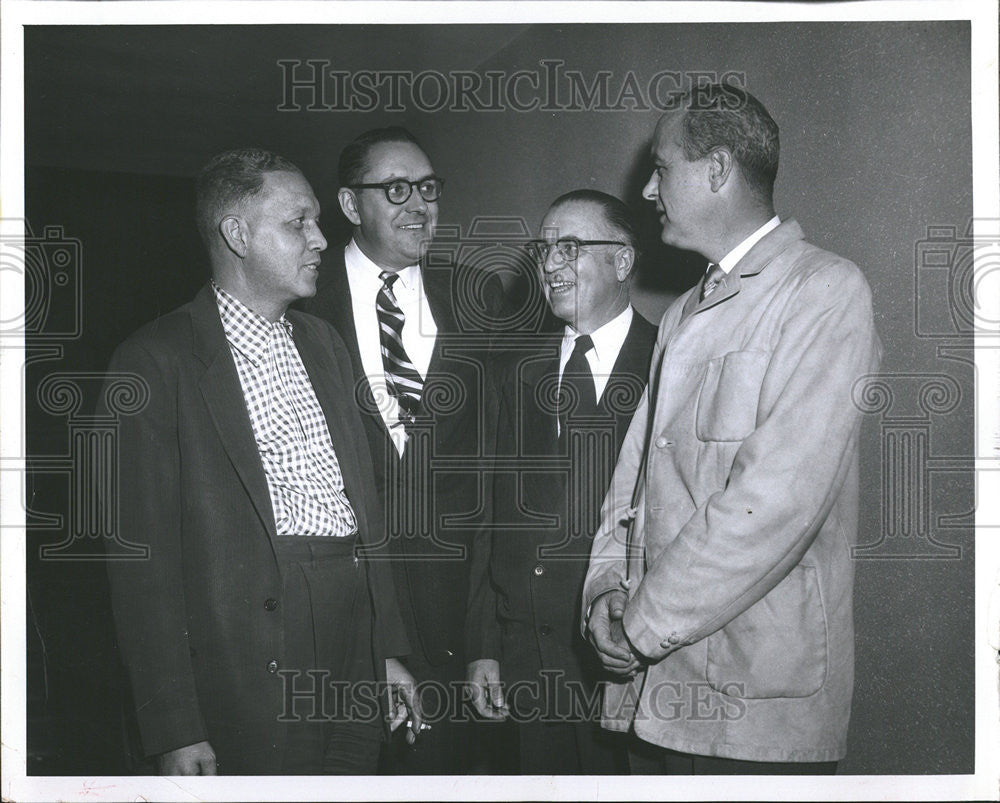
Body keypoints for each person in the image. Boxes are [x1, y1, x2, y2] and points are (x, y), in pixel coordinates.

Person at [582, 84, 882, 774]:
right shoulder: (686, 311)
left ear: (717, 170)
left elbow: (777, 503)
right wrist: (602, 592)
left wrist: (639, 623)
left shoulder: (825, 290)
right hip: (655, 700)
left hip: (753, 715)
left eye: (661, 169)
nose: (650, 191)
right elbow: (630, 483)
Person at [104, 148, 421, 776]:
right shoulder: (155, 361)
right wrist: (175, 727)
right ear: (236, 233)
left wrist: (386, 650)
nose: (321, 238)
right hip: (245, 654)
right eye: (297, 222)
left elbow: (363, 508)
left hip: (351, 635)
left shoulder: (323, 343)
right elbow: (142, 564)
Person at [305, 127, 510, 774]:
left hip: (454, 617)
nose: (419, 204)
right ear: (348, 205)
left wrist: (485, 638)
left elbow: (497, 474)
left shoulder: (480, 298)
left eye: (427, 187)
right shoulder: (304, 305)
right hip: (346, 618)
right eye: (395, 189)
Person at [465, 190, 657, 774]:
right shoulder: (508, 370)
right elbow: (486, 521)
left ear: (621, 262)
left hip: (626, 662)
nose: (549, 266)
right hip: (525, 663)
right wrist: (481, 649)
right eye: (544, 249)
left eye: (569, 248)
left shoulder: (670, 364)